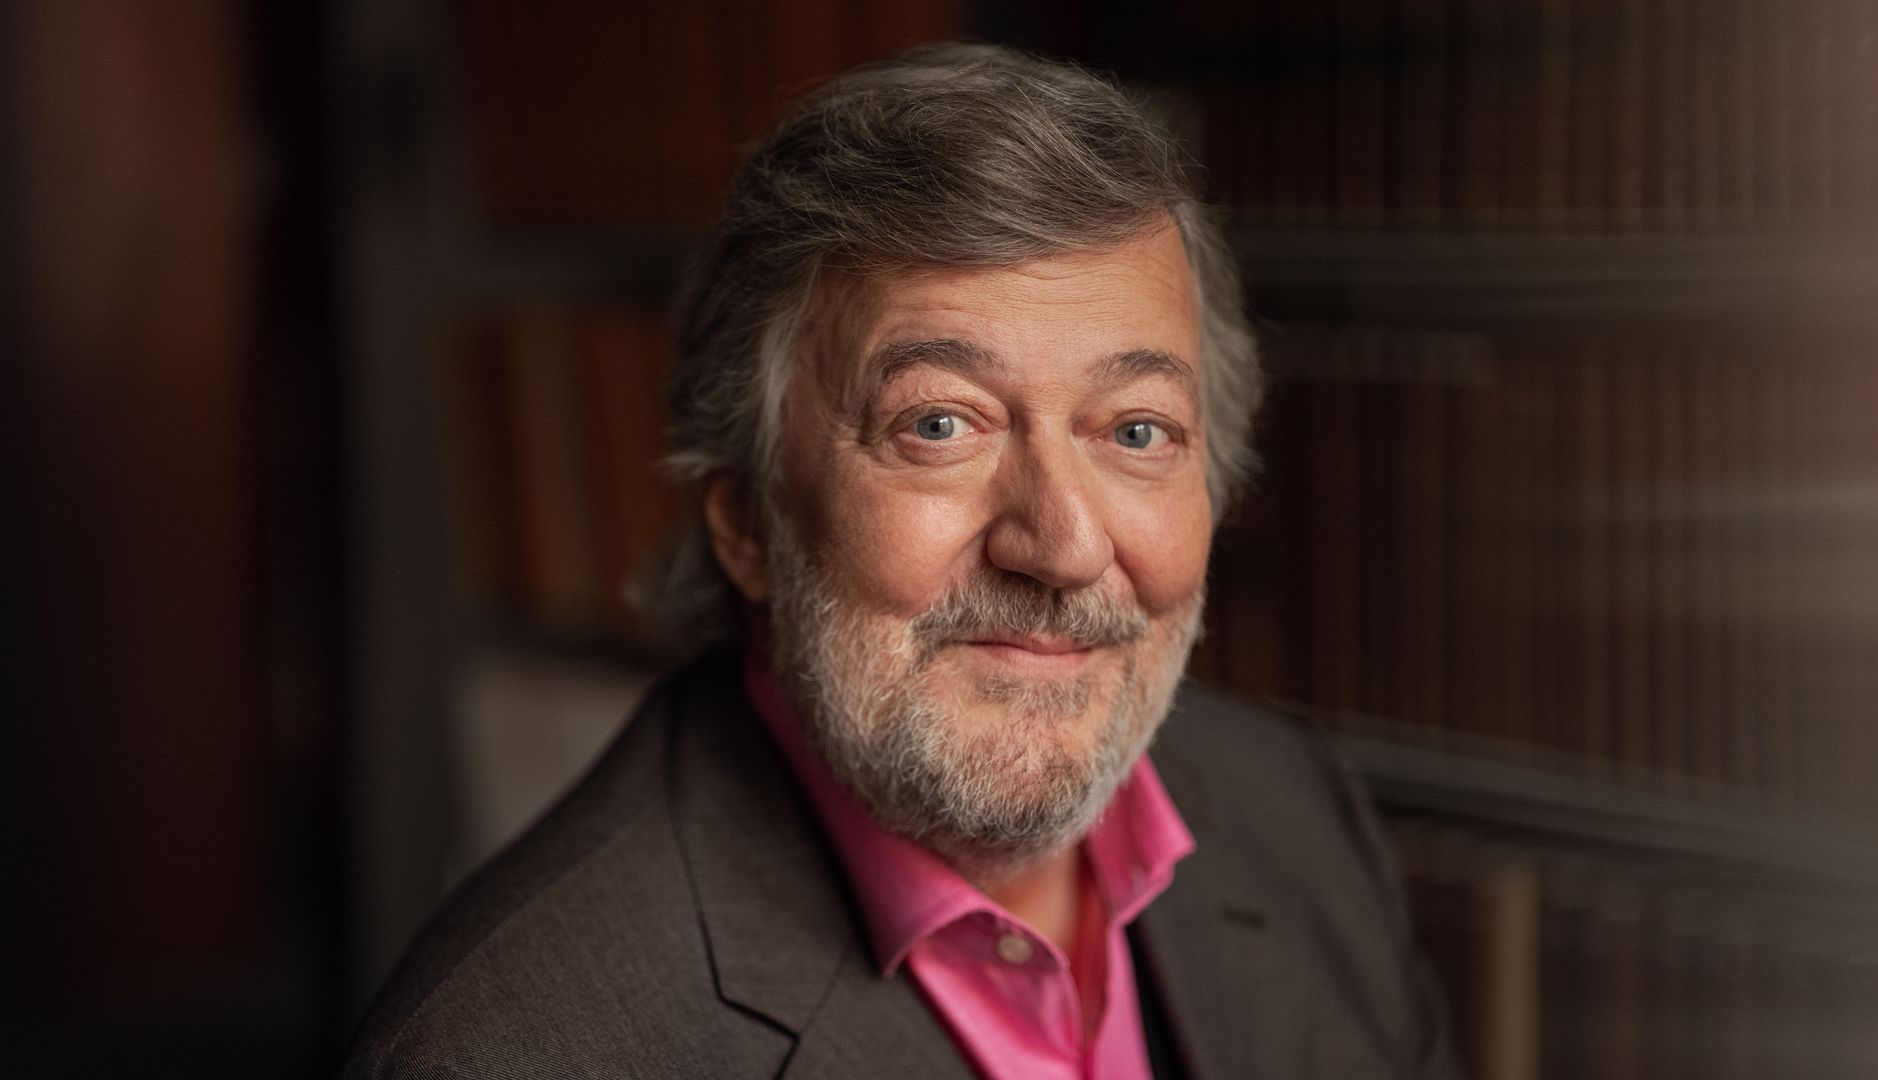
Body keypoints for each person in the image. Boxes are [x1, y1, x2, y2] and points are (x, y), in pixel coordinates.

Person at [343, 42, 1458, 1079]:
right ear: (745, 519)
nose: (1063, 547)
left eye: (1134, 431)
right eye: (940, 425)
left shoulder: (1295, 813)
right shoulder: (517, 1048)